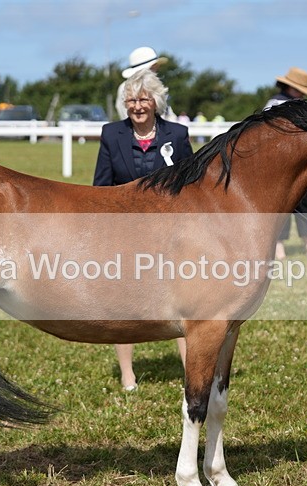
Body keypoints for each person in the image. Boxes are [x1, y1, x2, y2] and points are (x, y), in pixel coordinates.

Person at [94, 69, 193, 391]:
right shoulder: (111, 134)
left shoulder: (177, 135)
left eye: (143, 98)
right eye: (131, 99)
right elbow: (101, 187)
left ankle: (190, 369)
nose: (137, 106)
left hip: (170, 233)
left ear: (156, 101)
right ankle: (127, 375)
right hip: (125, 232)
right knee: (125, 302)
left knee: (182, 301)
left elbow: (191, 186)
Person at [264, 67, 307, 260]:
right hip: (280, 162)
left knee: (305, 204)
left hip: (301, 160)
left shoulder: (304, 106)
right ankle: (278, 246)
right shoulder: (275, 104)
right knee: (282, 205)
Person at [116, 47, 176, 122]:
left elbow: (168, 114)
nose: (157, 69)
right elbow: (129, 117)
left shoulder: (157, 87)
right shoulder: (126, 88)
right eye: (153, 66)